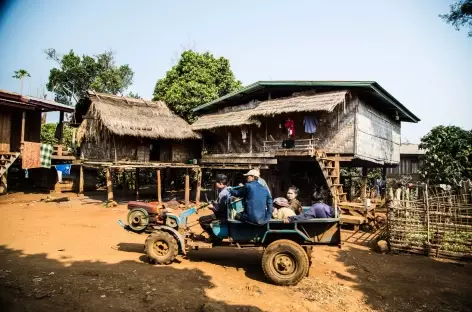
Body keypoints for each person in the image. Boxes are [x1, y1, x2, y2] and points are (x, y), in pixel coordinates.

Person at [198, 174, 230, 240]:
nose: (215, 184)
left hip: (222, 215)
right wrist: (215, 203)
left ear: (220, 183)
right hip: (226, 213)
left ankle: (213, 236)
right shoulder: (227, 190)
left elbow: (219, 210)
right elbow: (222, 204)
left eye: (216, 182)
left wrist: (212, 207)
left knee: (202, 220)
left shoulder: (222, 193)